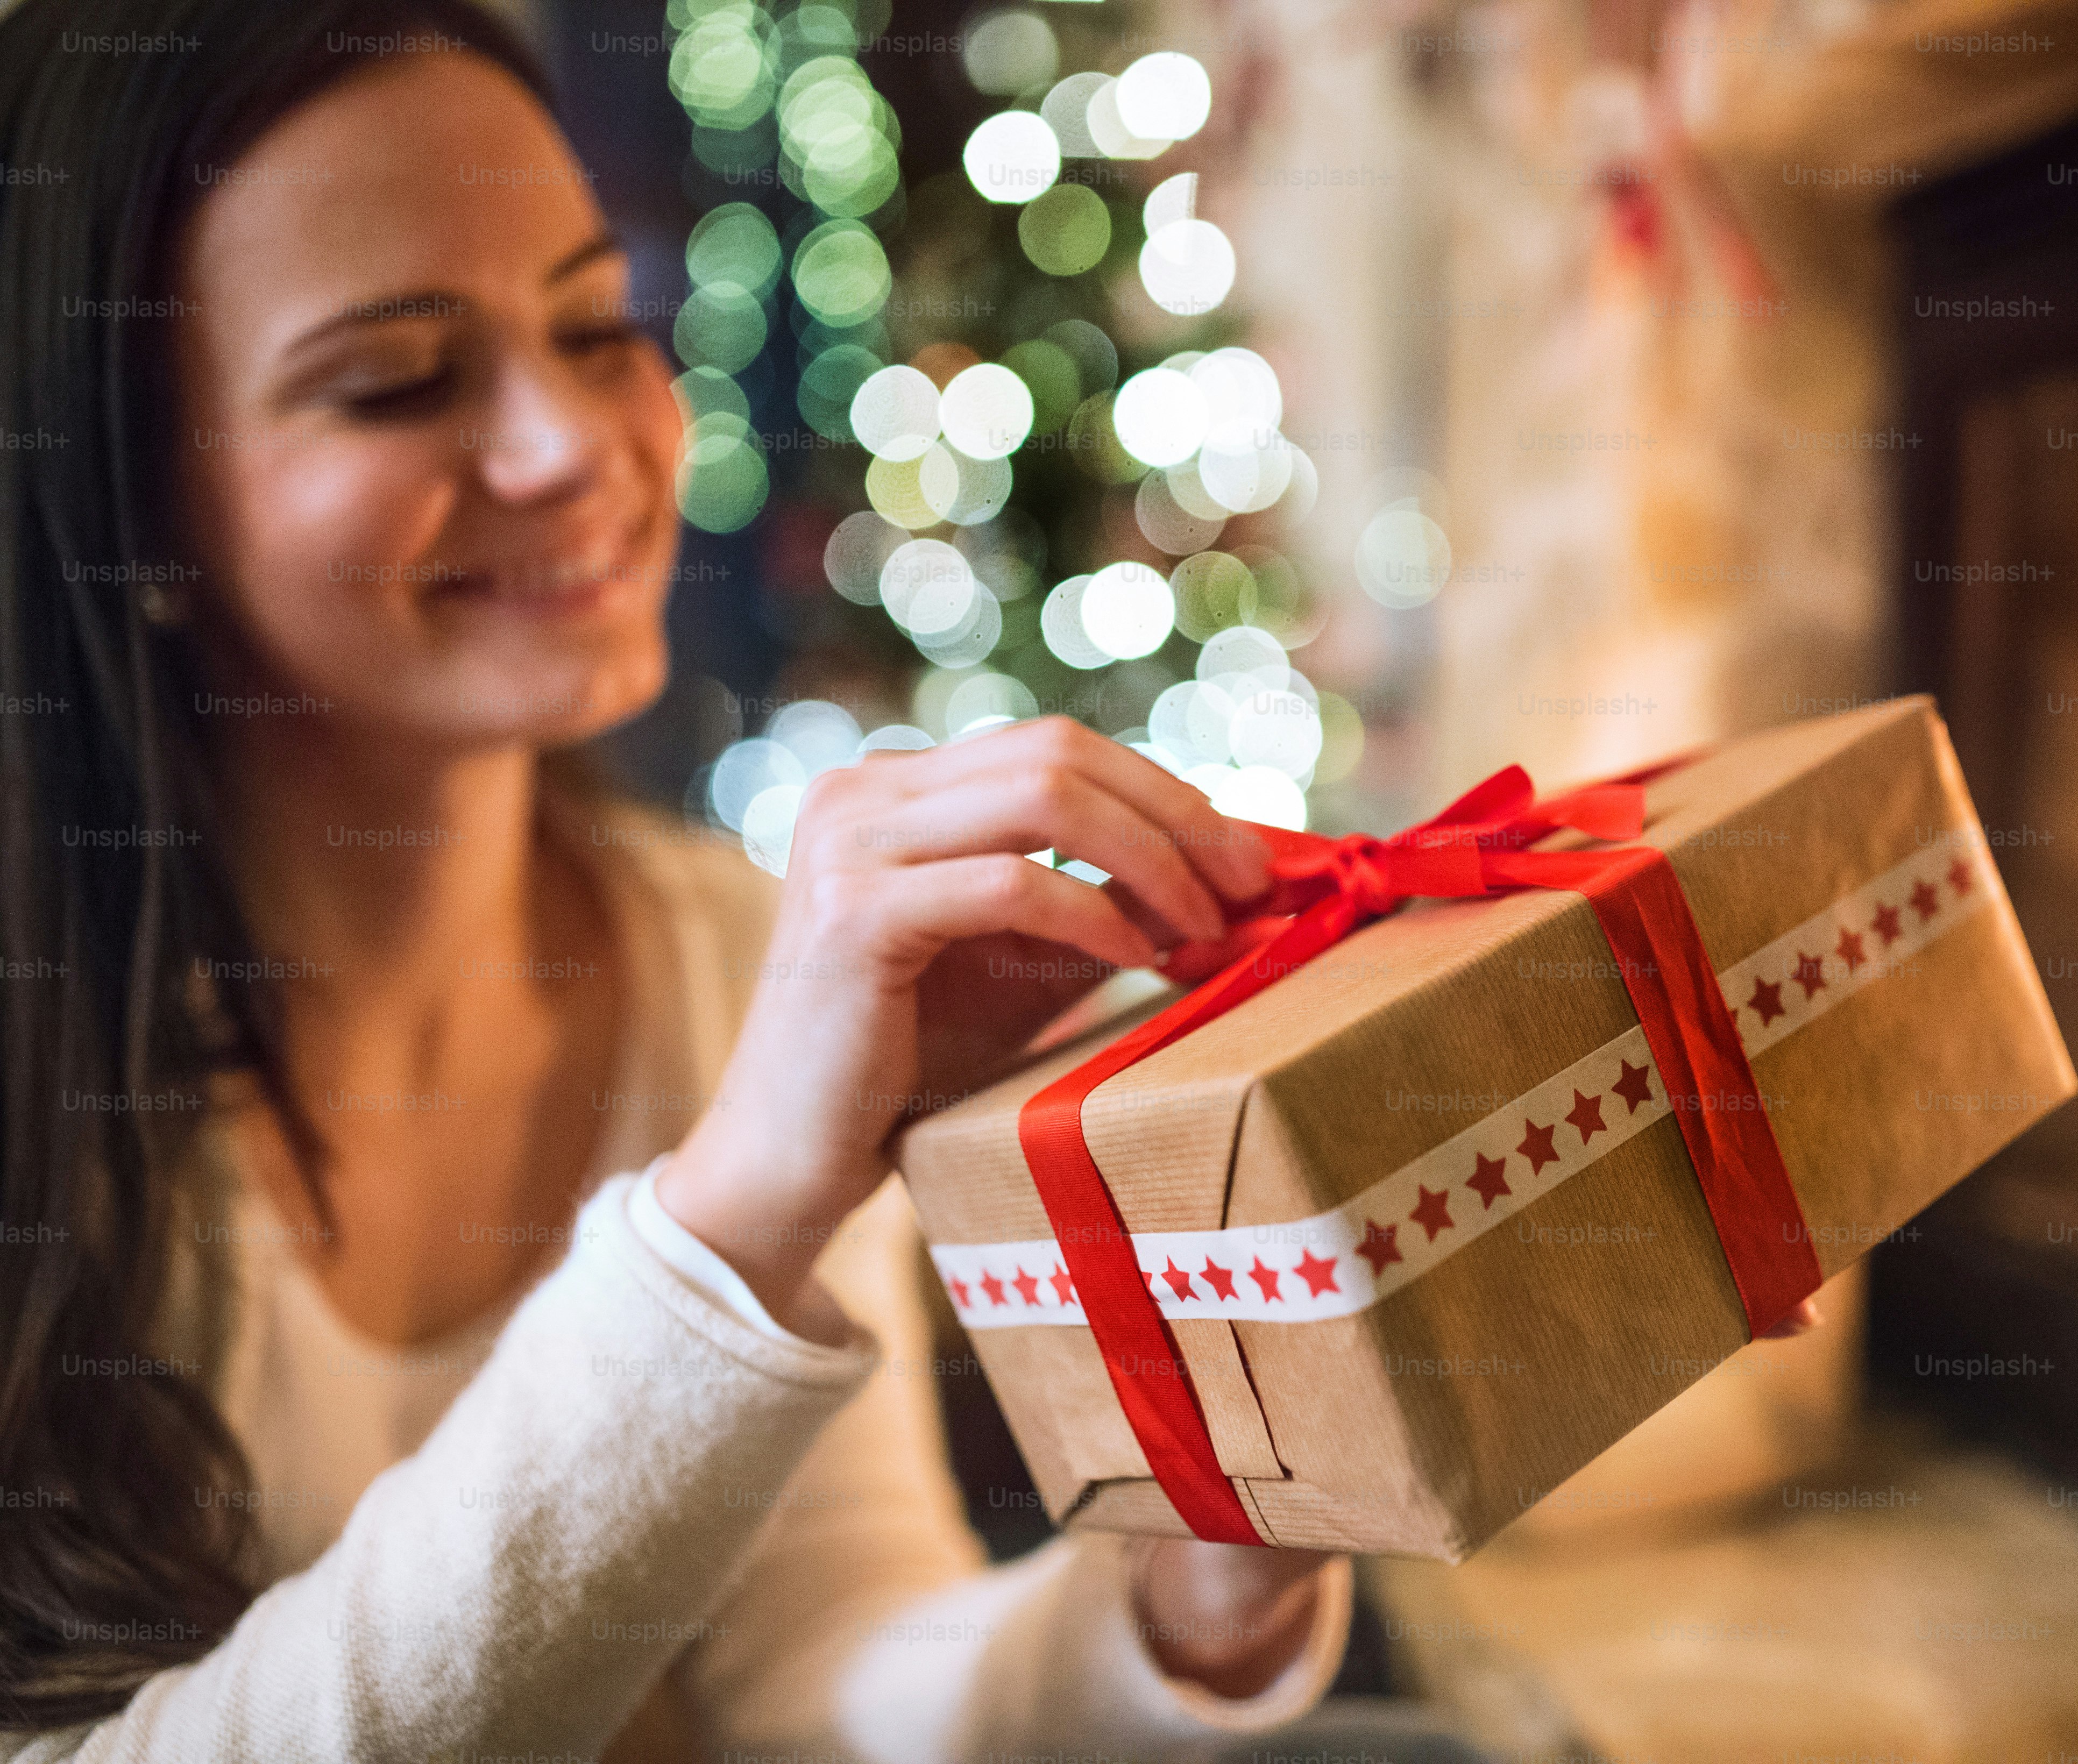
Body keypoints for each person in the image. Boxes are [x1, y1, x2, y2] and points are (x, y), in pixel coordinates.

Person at [0, 2, 1357, 1755]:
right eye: (396, 382)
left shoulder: (722, 954)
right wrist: (731, 1219)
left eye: (597, 325)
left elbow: (824, 1683)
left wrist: (1195, 1598)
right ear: (128, 518)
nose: (575, 447)